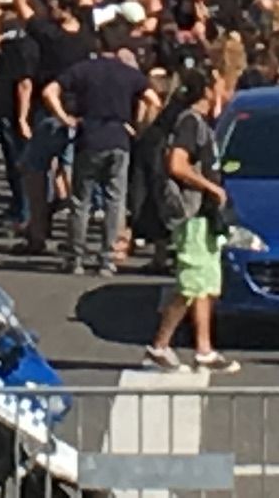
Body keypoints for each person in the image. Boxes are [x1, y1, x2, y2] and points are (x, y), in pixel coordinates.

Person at [141, 66, 238, 374]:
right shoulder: (190, 123)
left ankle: (204, 349)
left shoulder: (202, 123)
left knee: (205, 284)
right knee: (190, 283)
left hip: (205, 216)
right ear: (208, 91)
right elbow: (177, 164)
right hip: (192, 213)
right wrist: (211, 187)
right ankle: (159, 345)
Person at [45, 25, 150, 276]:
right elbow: (152, 99)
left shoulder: (83, 70)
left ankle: (77, 256)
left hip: (90, 136)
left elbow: (50, 90)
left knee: (81, 199)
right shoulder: (129, 74)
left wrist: (65, 117)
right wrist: (139, 125)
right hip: (118, 138)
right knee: (115, 199)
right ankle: (106, 258)